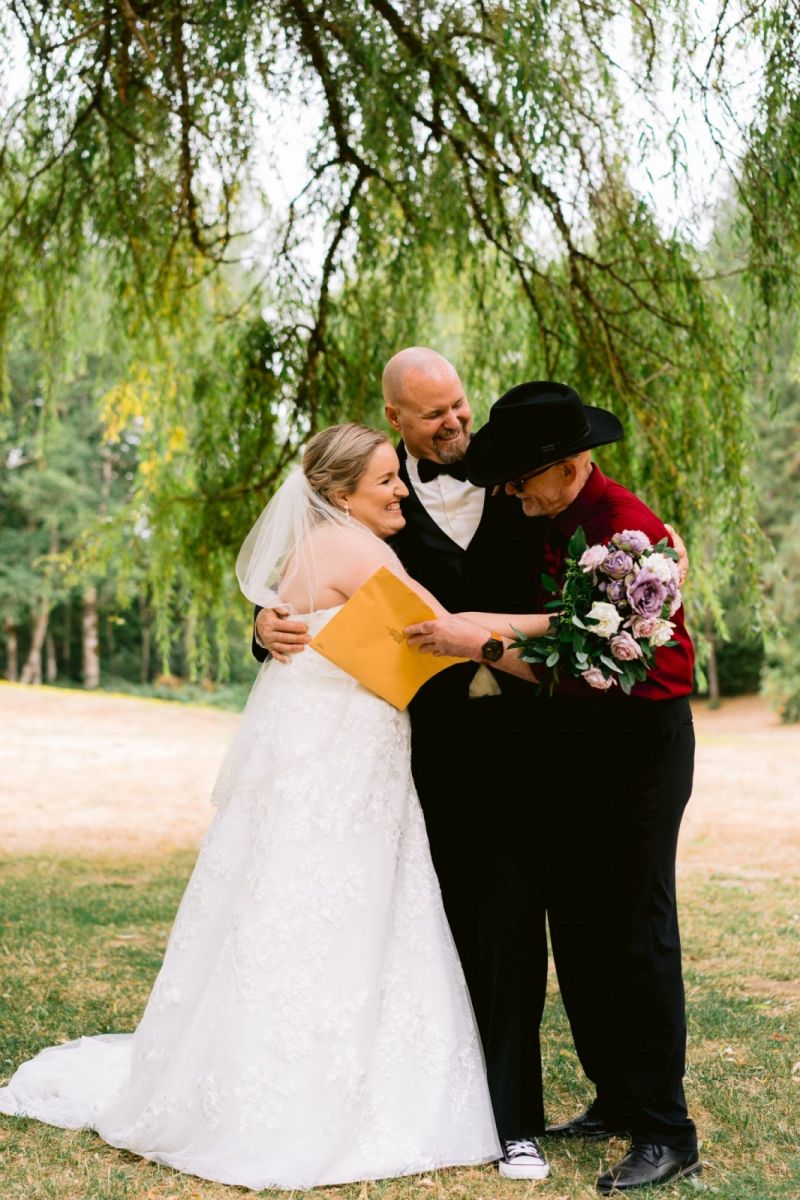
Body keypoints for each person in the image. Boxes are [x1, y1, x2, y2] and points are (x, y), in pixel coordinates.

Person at [0, 424, 507, 1191]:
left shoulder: (306, 548)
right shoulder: (362, 551)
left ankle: (251, 1065)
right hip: (345, 754)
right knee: (348, 901)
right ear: (341, 494)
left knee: (279, 897)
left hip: (311, 743)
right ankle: (331, 1088)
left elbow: (308, 628)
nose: (401, 489)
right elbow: (443, 631)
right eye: (385, 482)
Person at [256, 349, 555, 1180]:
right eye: (435, 415)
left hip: (514, 747)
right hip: (408, 749)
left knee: (505, 931)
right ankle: (393, 1090)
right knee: (398, 927)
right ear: (396, 420)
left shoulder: (521, 480)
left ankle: (515, 1122)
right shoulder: (370, 506)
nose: (456, 423)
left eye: (461, 406)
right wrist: (263, 628)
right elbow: (305, 599)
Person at [407, 381, 701, 1194]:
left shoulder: (629, 535)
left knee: (635, 933)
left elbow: (584, 655)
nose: (507, 490)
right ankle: (614, 1094)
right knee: (579, 930)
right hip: (574, 747)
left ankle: (667, 1128)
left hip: (639, 747)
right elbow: (554, 625)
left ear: (568, 469)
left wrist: (484, 641)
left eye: (519, 478)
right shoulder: (554, 516)